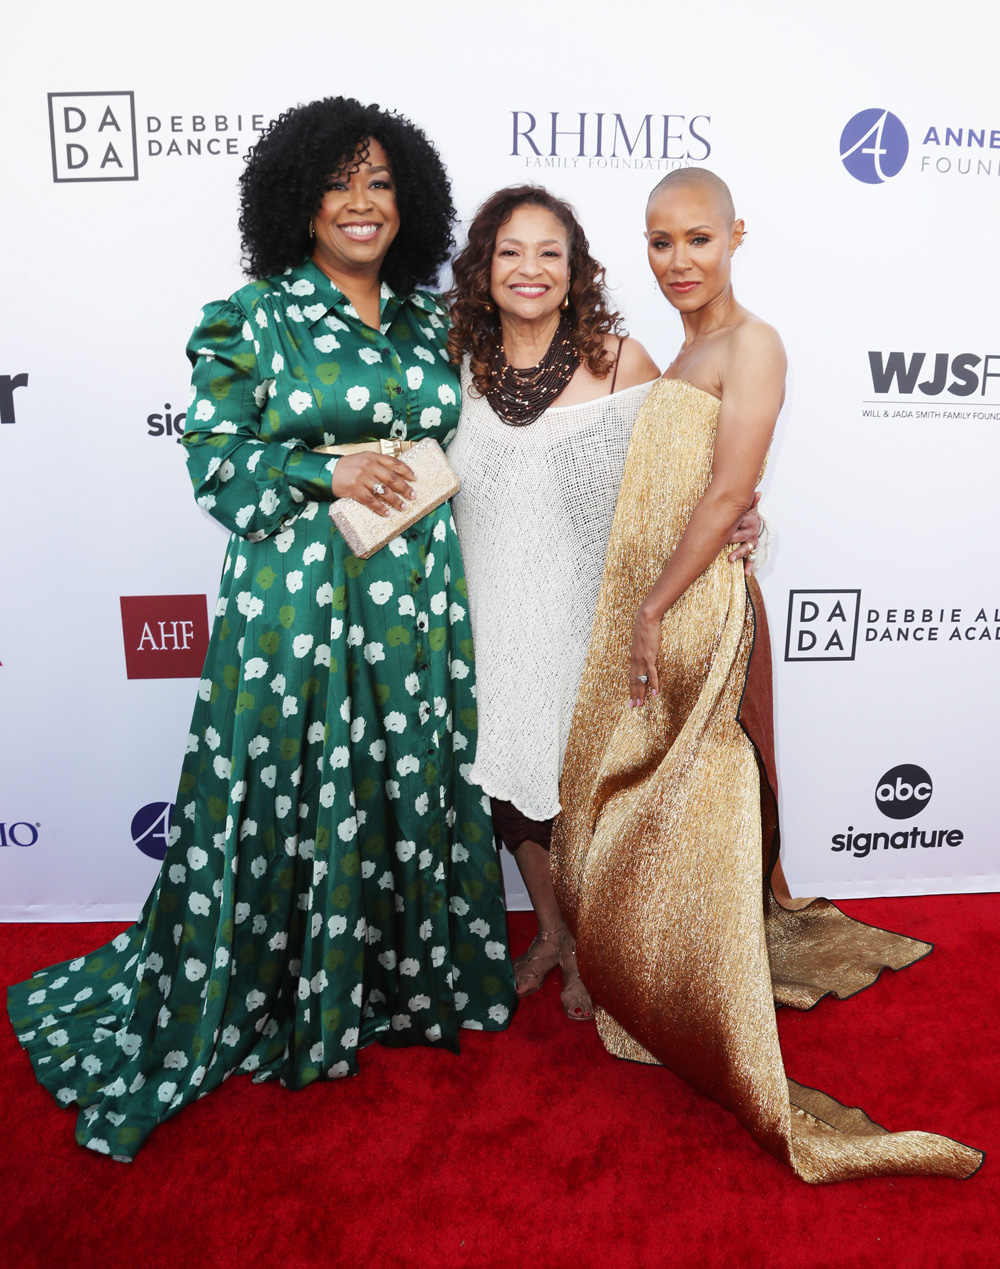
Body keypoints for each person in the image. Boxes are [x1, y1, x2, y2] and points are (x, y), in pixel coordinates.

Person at [6, 97, 515, 1162]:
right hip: (294, 603)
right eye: (338, 182)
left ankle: (398, 984)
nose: (361, 202)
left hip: (415, 604)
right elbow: (213, 463)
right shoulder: (254, 317)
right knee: (296, 775)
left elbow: (508, 438)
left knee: (402, 777)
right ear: (298, 200)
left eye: (380, 182)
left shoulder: (436, 322)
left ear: (408, 200)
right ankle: (284, 992)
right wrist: (320, 467)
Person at [551, 168, 983, 1181]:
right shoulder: (686, 349)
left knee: (683, 804)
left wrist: (655, 610)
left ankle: (696, 981)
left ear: (736, 235)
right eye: (658, 242)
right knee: (625, 798)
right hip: (655, 598)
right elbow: (694, 485)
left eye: (696, 239)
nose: (677, 262)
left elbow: (729, 491)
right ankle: (660, 965)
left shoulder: (754, 343)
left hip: (690, 608)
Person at [446, 186, 761, 1020]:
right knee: (511, 792)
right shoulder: (453, 370)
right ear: (484, 268)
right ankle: (549, 931)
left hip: (589, 621)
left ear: (576, 269)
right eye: (511, 251)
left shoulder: (625, 363)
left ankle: (592, 947)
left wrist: (743, 509)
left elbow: (689, 479)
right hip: (489, 620)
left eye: (551, 252)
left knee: (582, 789)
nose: (531, 269)